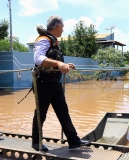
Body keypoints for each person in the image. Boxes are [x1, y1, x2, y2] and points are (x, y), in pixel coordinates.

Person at [32, 16, 91, 152]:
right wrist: (59, 63)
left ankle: (74, 141)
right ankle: (36, 142)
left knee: (63, 111)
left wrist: (64, 65)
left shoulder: (54, 42)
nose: (63, 30)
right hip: (43, 83)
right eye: (62, 27)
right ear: (57, 27)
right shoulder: (43, 40)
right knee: (41, 114)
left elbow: (52, 60)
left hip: (55, 83)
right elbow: (38, 58)